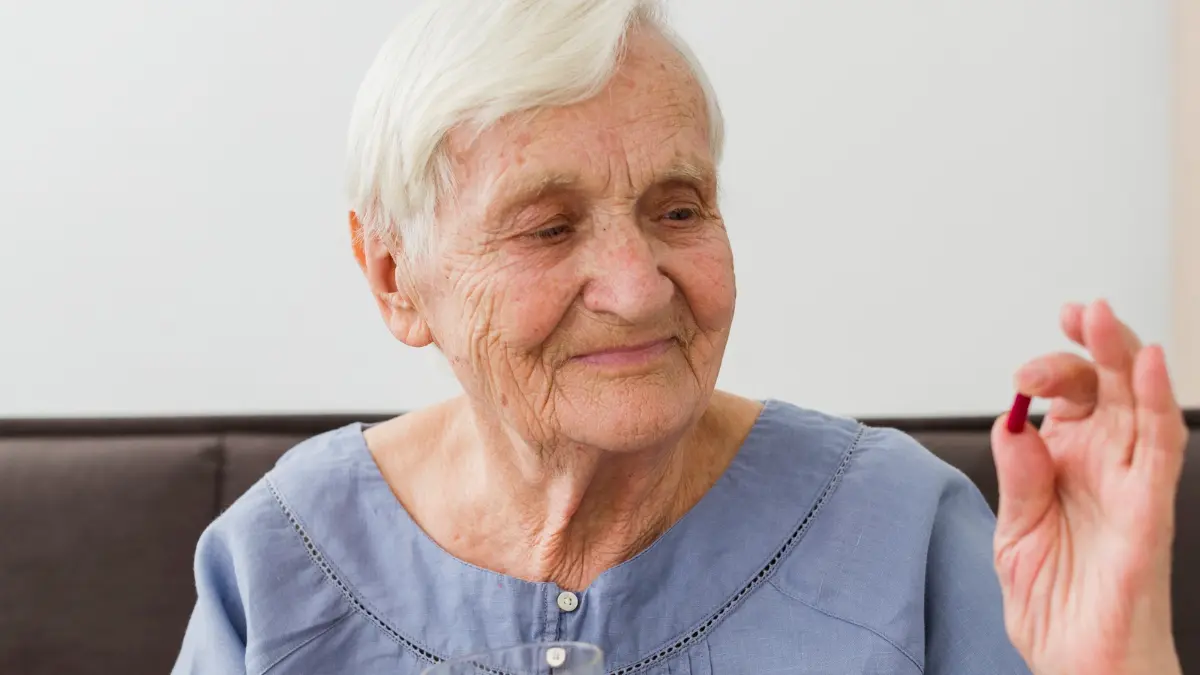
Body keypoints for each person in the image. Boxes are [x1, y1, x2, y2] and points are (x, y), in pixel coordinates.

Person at [172, 1, 1189, 673]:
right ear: (395, 277)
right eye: (548, 226)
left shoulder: (902, 532)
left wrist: (1121, 655)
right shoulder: (279, 563)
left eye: (677, 209)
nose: (635, 285)